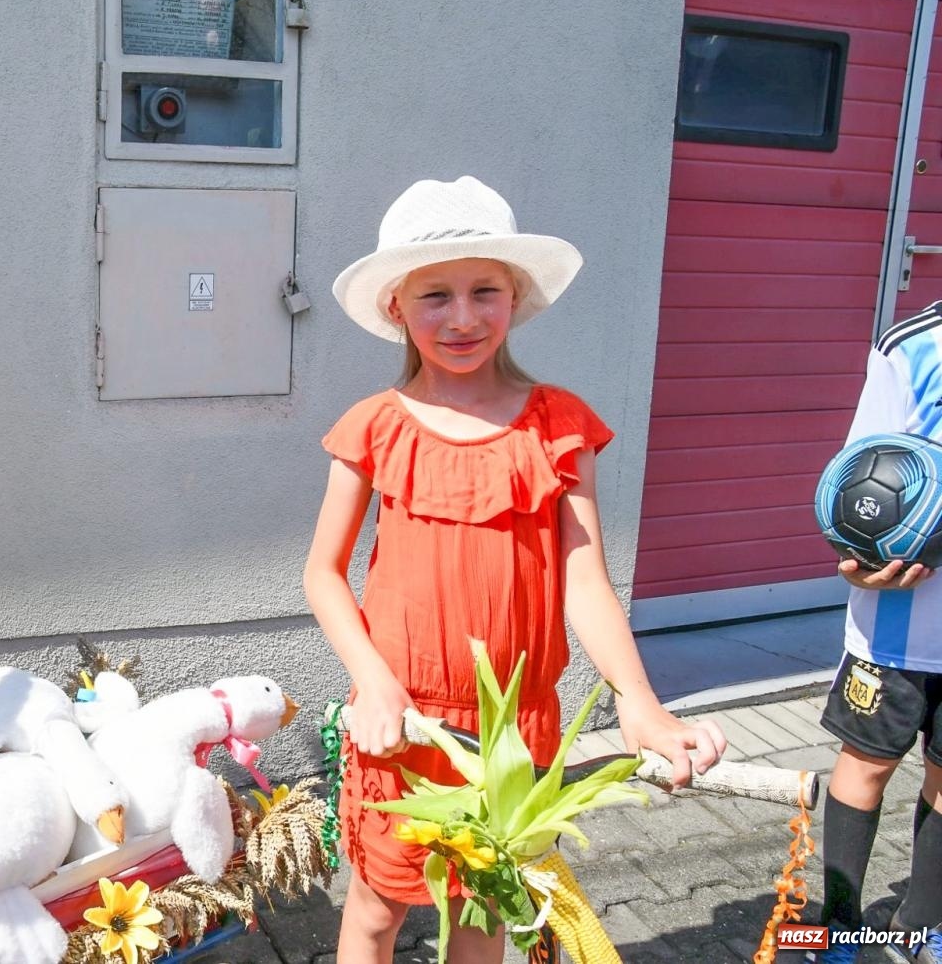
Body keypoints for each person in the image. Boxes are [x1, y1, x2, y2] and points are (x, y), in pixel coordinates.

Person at [303, 176, 726, 964]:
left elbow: (584, 575)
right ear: (396, 304)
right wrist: (373, 681)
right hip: (404, 722)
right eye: (436, 295)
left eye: (483, 291)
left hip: (513, 729)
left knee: (485, 911)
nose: (462, 317)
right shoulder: (373, 428)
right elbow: (323, 574)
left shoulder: (559, 425)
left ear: (515, 295)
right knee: (376, 908)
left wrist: (640, 704)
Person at [803, 303, 942, 964]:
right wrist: (861, 567)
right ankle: (838, 926)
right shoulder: (912, 345)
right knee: (866, 767)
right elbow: (858, 480)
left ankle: (923, 926)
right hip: (897, 630)